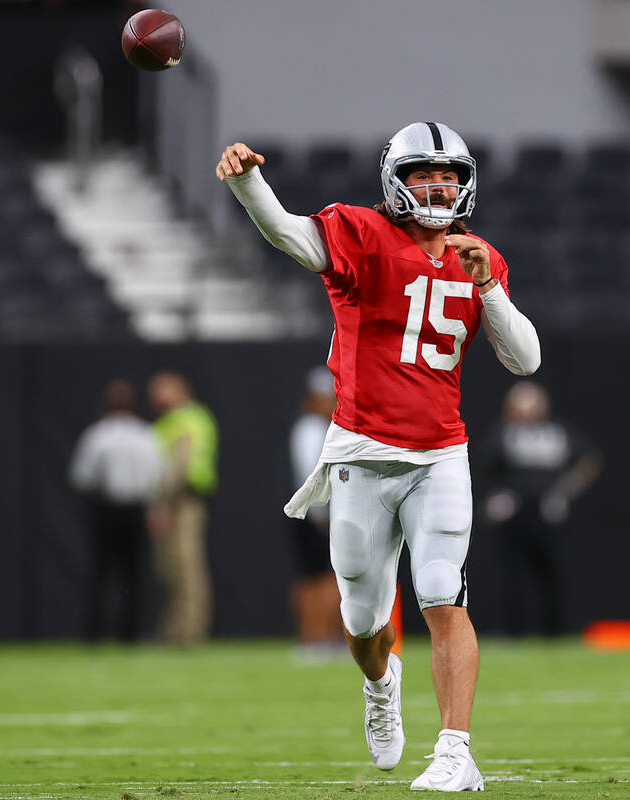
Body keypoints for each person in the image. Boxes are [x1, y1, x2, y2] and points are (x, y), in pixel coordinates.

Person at [218, 121, 541, 791]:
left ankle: (456, 751)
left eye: (450, 175)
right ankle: (380, 685)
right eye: (425, 173)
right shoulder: (362, 235)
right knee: (363, 622)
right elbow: (287, 232)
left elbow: (526, 359)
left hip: (440, 455)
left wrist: (488, 288)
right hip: (364, 457)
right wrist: (251, 182)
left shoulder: (480, 255)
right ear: (395, 180)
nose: (439, 185)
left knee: (442, 593)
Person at [481, 380, 601, 637]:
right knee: (513, 574)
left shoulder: (557, 432)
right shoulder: (505, 433)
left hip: (548, 510)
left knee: (552, 573)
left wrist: (566, 491)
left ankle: (555, 632)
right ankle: (514, 631)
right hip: (516, 511)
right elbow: (486, 465)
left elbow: (588, 459)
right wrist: (498, 496)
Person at [69, 379, 164, 642]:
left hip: (106, 508)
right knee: (133, 574)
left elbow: (82, 477)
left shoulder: (98, 435)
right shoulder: (147, 434)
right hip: (136, 509)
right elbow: (157, 475)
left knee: (100, 573)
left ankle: (94, 634)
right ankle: (129, 635)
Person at [148, 371, 219, 645]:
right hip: (173, 501)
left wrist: (161, 503)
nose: (155, 396)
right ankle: (175, 630)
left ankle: (190, 632)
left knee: (187, 566)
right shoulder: (169, 421)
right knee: (171, 568)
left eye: (161, 389)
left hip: (185, 501)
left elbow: (178, 465)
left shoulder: (188, 419)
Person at [288, 366, 345, 661]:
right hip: (317, 516)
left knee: (317, 576)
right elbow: (312, 474)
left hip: (313, 514)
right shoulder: (311, 429)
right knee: (321, 577)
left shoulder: (314, 428)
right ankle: (317, 638)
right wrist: (322, 514)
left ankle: (318, 638)